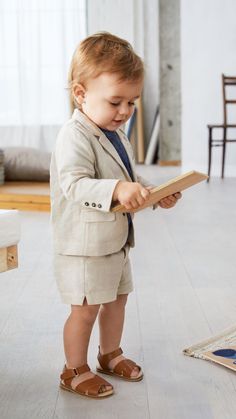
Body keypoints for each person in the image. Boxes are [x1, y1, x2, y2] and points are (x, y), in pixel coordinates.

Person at [50, 32, 181, 399]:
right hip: (84, 245)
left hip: (115, 241)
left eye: (131, 102)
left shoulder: (114, 132)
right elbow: (75, 184)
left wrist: (152, 194)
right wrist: (118, 191)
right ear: (80, 93)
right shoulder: (73, 136)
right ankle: (73, 369)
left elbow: (125, 178)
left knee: (118, 299)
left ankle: (110, 353)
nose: (124, 111)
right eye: (115, 102)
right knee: (86, 309)